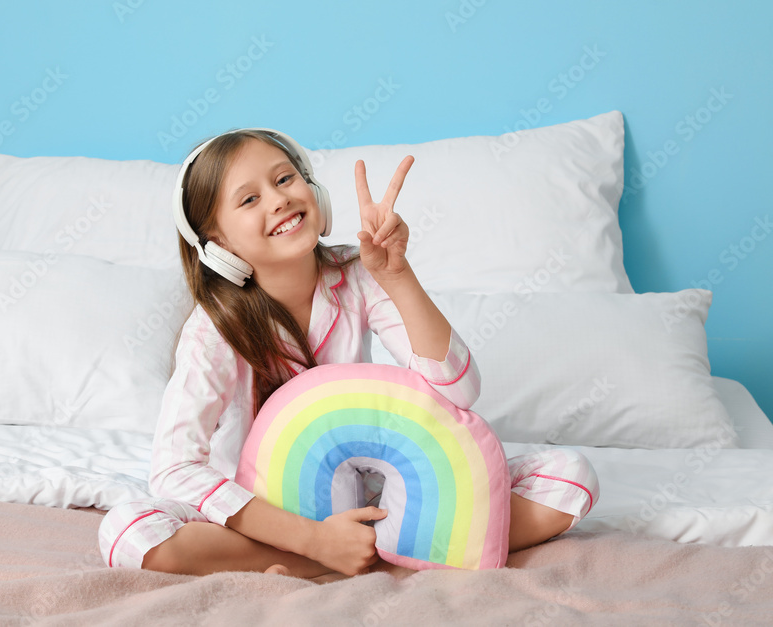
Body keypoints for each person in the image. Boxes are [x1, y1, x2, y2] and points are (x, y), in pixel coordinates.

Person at [99, 128, 600, 582]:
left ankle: (373, 544)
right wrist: (313, 538)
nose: (279, 200)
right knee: (129, 533)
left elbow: (459, 390)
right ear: (217, 243)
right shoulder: (213, 329)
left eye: (285, 179)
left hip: (376, 495)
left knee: (571, 480)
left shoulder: (359, 273)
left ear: (314, 190)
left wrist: (399, 277)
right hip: (264, 516)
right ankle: (345, 555)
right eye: (249, 198)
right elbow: (172, 470)